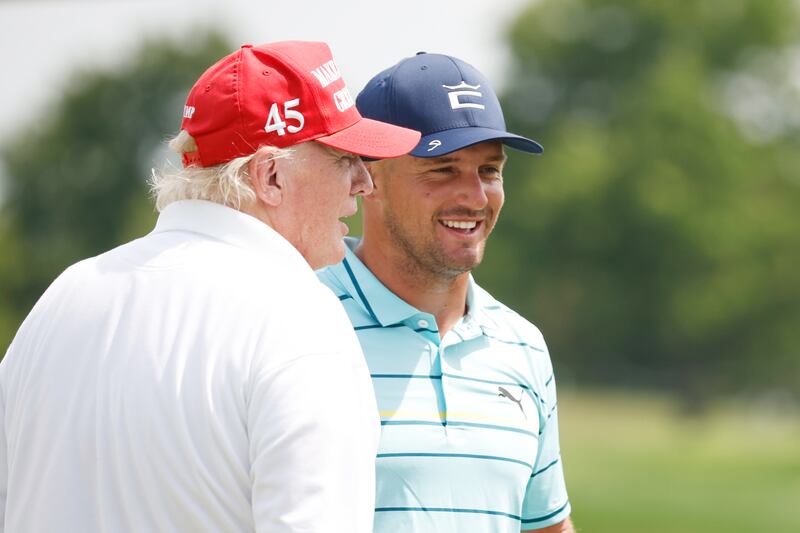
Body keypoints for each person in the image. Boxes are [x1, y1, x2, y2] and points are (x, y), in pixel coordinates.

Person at [0, 41, 420, 533]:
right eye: (345, 159)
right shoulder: (301, 321)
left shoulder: (66, 295)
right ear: (271, 177)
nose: (364, 184)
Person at [317, 52, 575, 533]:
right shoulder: (300, 322)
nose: (475, 197)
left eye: (489, 171)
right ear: (366, 176)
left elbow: (547, 526)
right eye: (443, 169)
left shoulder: (522, 345)